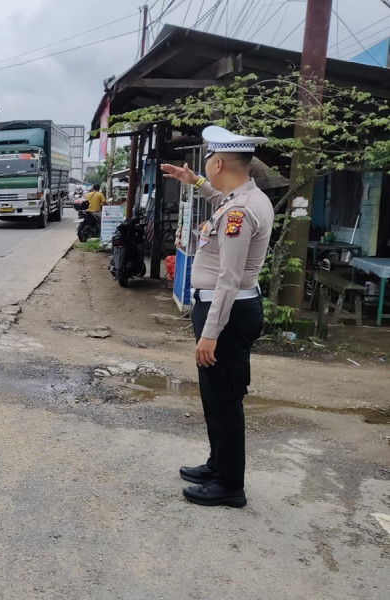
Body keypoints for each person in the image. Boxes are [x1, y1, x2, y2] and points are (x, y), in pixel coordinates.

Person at [160, 125, 274, 508]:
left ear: (219, 161)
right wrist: (195, 183)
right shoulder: (241, 198)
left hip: (225, 311)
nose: (207, 166)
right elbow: (218, 200)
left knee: (224, 399)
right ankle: (217, 464)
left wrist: (210, 334)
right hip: (226, 308)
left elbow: (228, 279)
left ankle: (229, 485)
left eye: (207, 161)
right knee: (215, 395)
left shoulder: (239, 211)